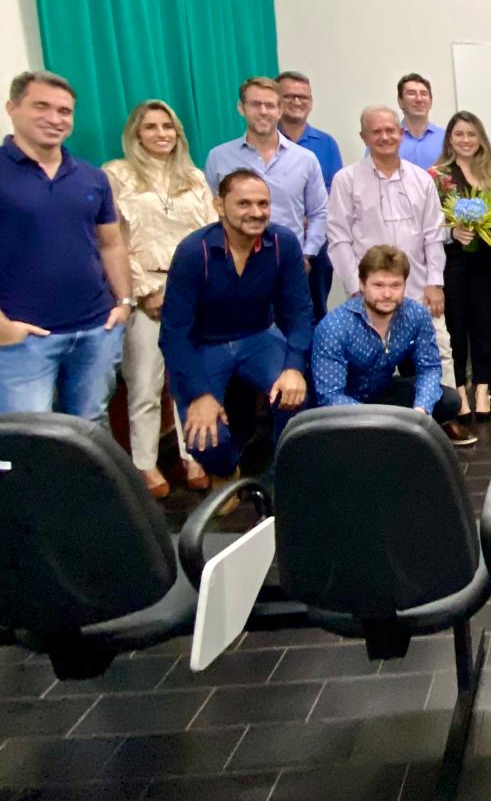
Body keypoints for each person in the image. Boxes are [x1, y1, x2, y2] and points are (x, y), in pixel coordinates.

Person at [327, 106, 475, 446]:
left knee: (439, 350)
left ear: (400, 134)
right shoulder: (347, 180)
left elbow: (432, 235)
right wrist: (356, 288)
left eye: (390, 130)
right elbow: (338, 238)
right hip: (371, 292)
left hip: (419, 286)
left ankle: (443, 418)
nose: (385, 136)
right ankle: (382, 427)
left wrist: (435, 282)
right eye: (376, 131)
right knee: (375, 360)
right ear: (364, 137)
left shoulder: (420, 179)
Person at [159, 169, 312, 482]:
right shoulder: (193, 252)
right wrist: (200, 394)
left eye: (263, 204)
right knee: (203, 438)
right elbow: (174, 335)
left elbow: (300, 311)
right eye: (244, 203)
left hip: (259, 336)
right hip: (204, 344)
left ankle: (283, 480)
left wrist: (294, 367)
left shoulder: (283, 243)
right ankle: (228, 475)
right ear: (219, 205)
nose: (256, 212)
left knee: (297, 401)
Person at [0, 71, 132, 423]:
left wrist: (124, 303)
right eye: (41, 107)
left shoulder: (92, 177)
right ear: (12, 108)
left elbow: (111, 244)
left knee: (91, 428)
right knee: (29, 436)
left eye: (64, 111)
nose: (55, 118)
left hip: (95, 331)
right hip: (22, 340)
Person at [103, 99, 217, 497]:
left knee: (190, 380)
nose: (161, 133)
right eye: (151, 126)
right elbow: (113, 241)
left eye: (168, 126)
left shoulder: (193, 176)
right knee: (145, 385)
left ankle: (194, 455)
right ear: (136, 133)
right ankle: (145, 465)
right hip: (144, 294)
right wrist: (146, 291)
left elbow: (210, 234)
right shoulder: (116, 175)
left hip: (191, 292)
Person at [204, 77, 329, 318]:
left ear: (280, 110)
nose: (263, 111)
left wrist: (306, 254)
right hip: (236, 268)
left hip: (289, 266)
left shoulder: (305, 159)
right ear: (241, 108)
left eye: (270, 105)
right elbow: (211, 213)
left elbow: (319, 212)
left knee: (296, 330)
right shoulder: (219, 158)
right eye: (255, 104)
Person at [312, 245, 461, 423]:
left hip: (383, 393)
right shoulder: (334, 326)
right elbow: (330, 396)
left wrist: (421, 411)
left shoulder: (416, 315)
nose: (387, 294)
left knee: (449, 400)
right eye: (378, 285)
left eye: (395, 285)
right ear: (362, 285)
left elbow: (429, 368)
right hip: (346, 406)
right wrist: (381, 421)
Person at [431, 111, 491, 423]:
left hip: (487, 262)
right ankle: (459, 389)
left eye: (472, 134)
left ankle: (483, 389)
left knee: (485, 326)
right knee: (456, 328)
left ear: (480, 138)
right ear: (450, 138)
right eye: (459, 134)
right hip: (453, 263)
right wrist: (452, 232)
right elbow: (426, 226)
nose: (466, 140)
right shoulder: (436, 176)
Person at [276, 70, 343, 323]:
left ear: (311, 102)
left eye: (303, 97)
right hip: (274, 243)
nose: (297, 102)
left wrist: (313, 219)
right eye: (289, 96)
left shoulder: (326, 143)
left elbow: (335, 191)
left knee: (316, 313)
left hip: (317, 246)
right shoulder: (266, 141)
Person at [396, 73, 445, 170]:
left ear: (430, 102)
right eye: (411, 93)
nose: (419, 99)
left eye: (423, 94)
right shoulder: (387, 139)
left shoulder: (447, 139)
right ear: (400, 101)